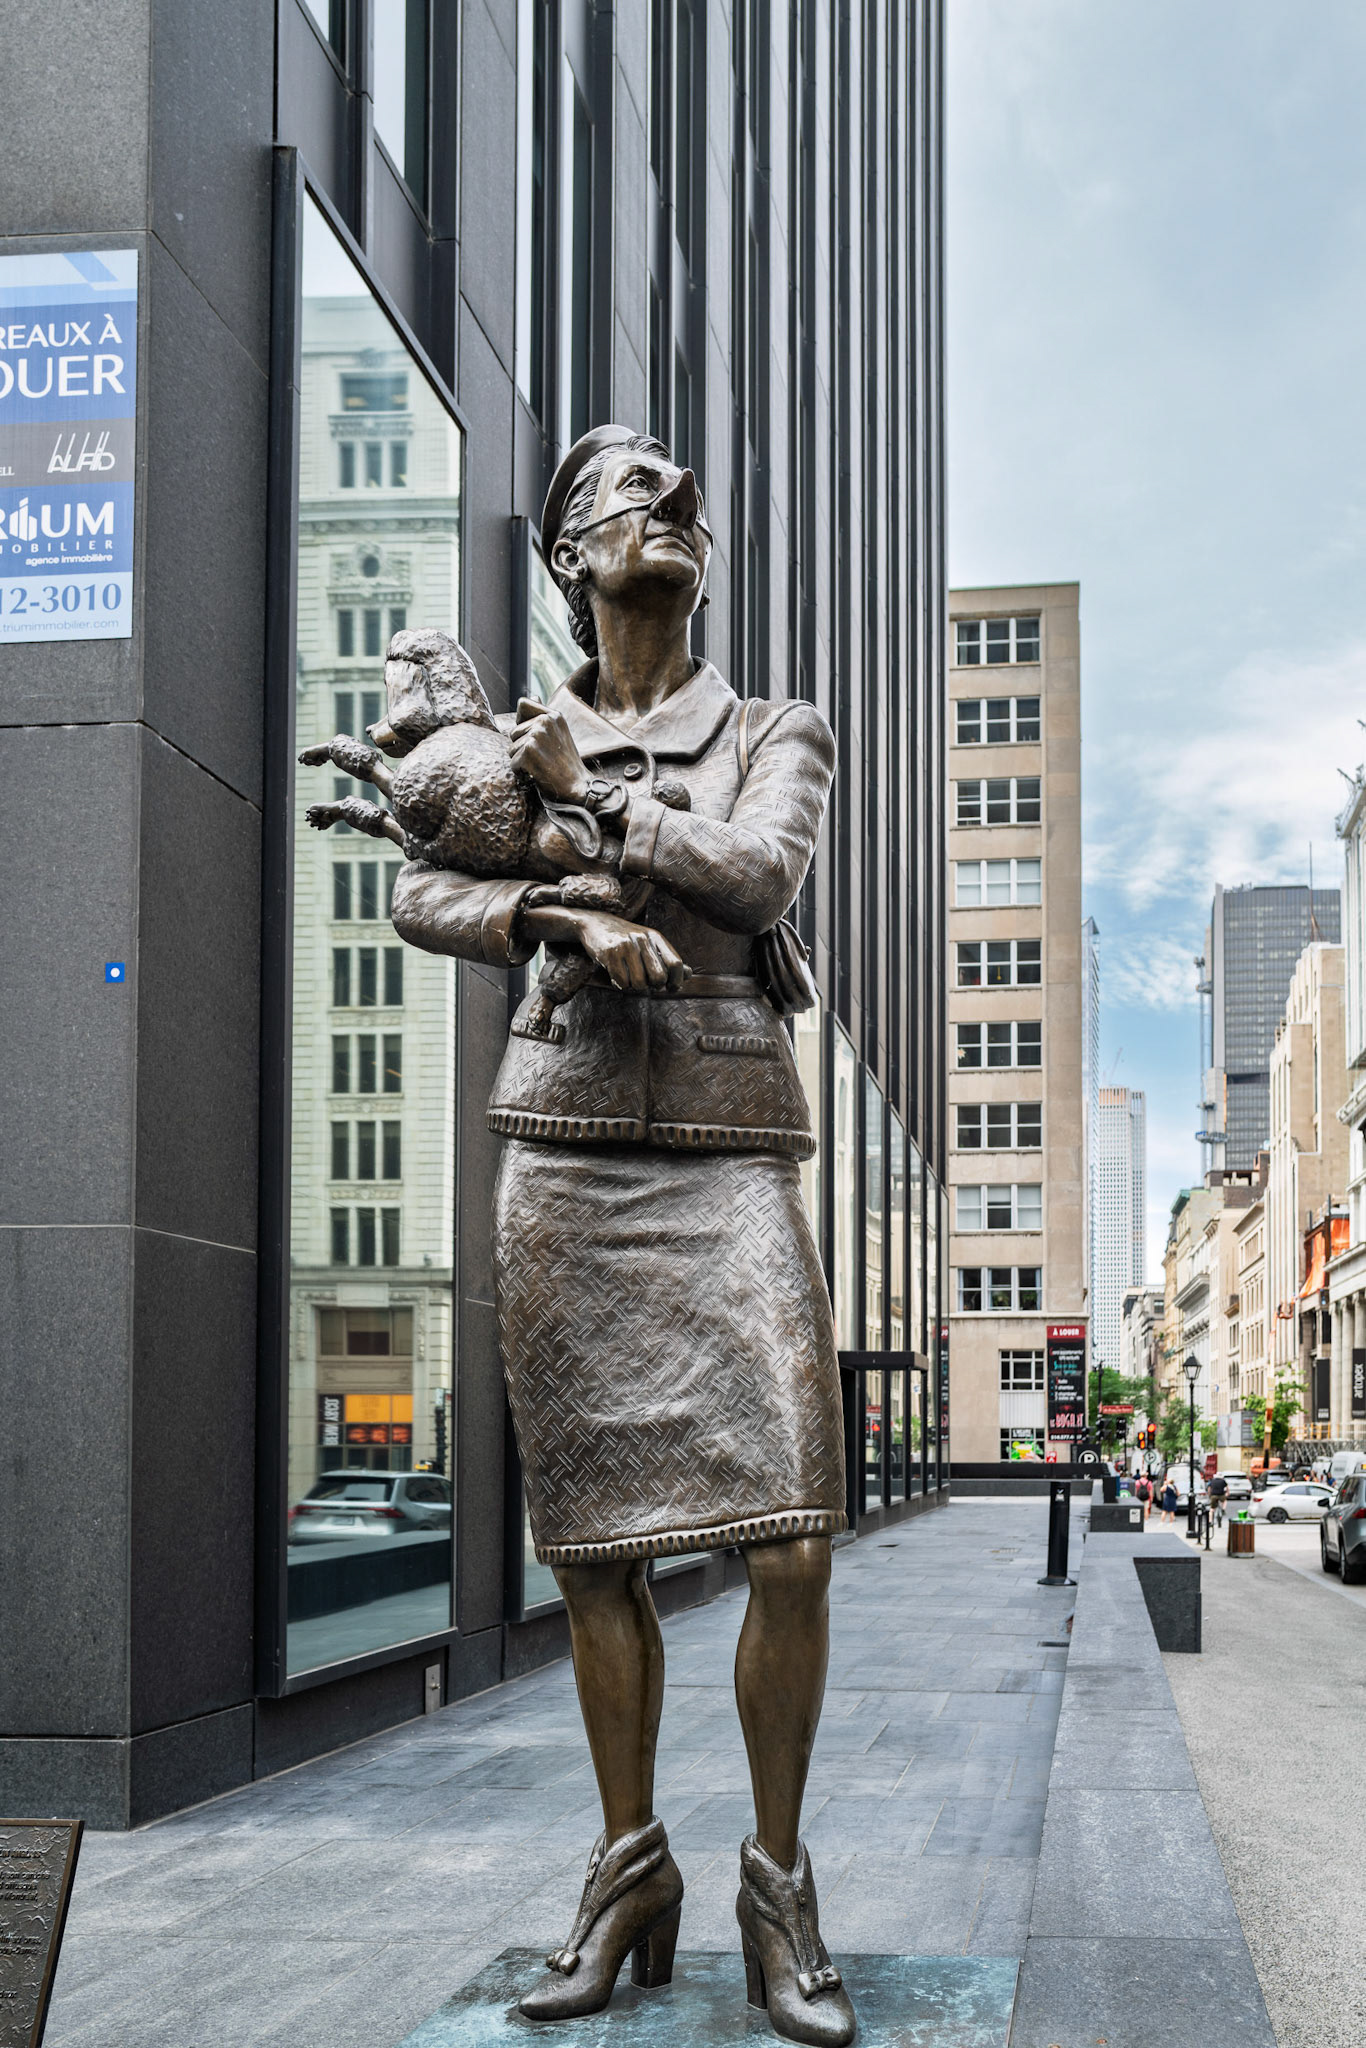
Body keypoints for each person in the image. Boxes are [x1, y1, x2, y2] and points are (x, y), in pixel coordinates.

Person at [393, 425, 855, 2046]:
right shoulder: (503, 730)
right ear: (571, 561)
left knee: (788, 1533)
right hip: (566, 1146)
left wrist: (585, 803)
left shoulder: (773, 725)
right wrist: (549, 908)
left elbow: (755, 872)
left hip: (728, 1145)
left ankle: (777, 1889)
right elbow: (417, 890)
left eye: (678, 495)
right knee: (598, 1554)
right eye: (620, 495)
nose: (662, 508)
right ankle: (627, 1871)